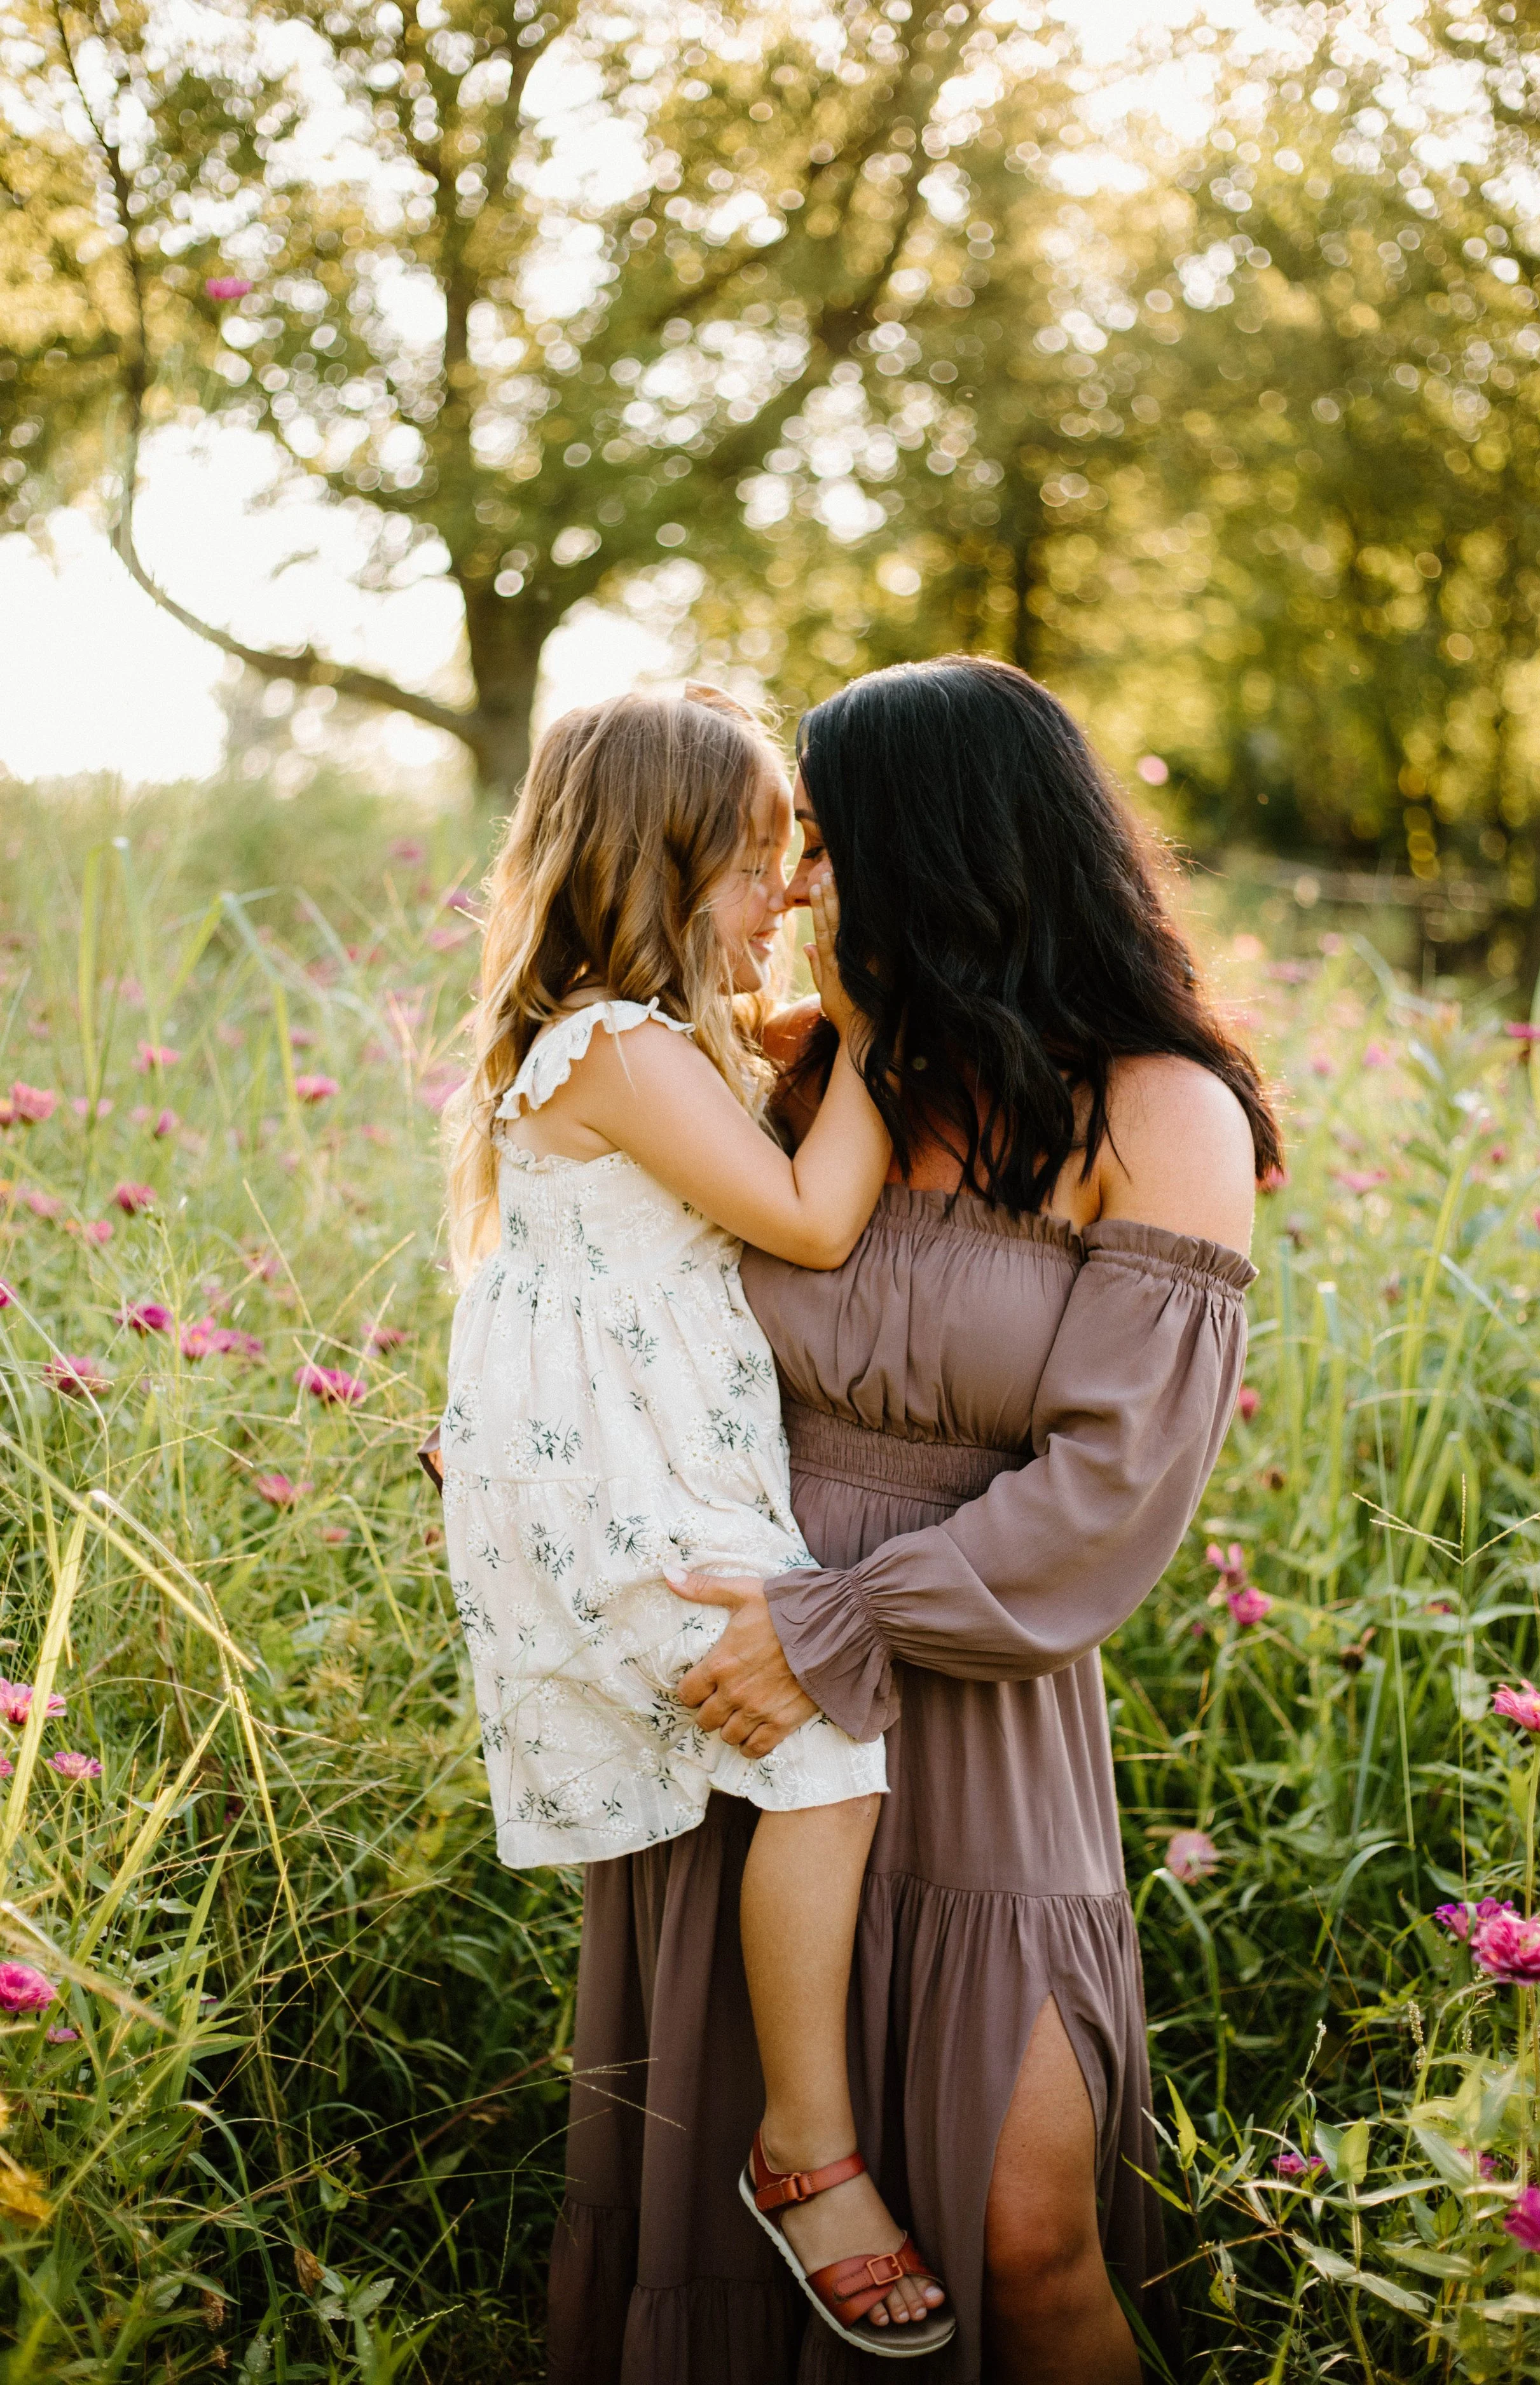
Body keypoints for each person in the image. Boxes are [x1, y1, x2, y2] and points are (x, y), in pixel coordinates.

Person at [547, 656, 1281, 2385]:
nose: (798, 889)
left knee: (1031, 2236)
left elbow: (1113, 1491)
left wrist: (839, 1628)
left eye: (830, 844)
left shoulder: (1157, 1111)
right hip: (734, 1689)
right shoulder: (800, 1082)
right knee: (728, 2227)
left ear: (943, 853)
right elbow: (598, 1293)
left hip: (959, 1689)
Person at [439, 686, 955, 2357]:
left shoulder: (630, 1042)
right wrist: (880, 1024)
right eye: (759, 860)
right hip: (615, 1497)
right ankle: (804, 2150)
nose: (793, 895)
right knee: (819, 1744)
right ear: (662, 862)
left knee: (799, 1733)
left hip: (629, 1472)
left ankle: (789, 2128)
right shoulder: (616, 1047)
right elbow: (809, 1222)